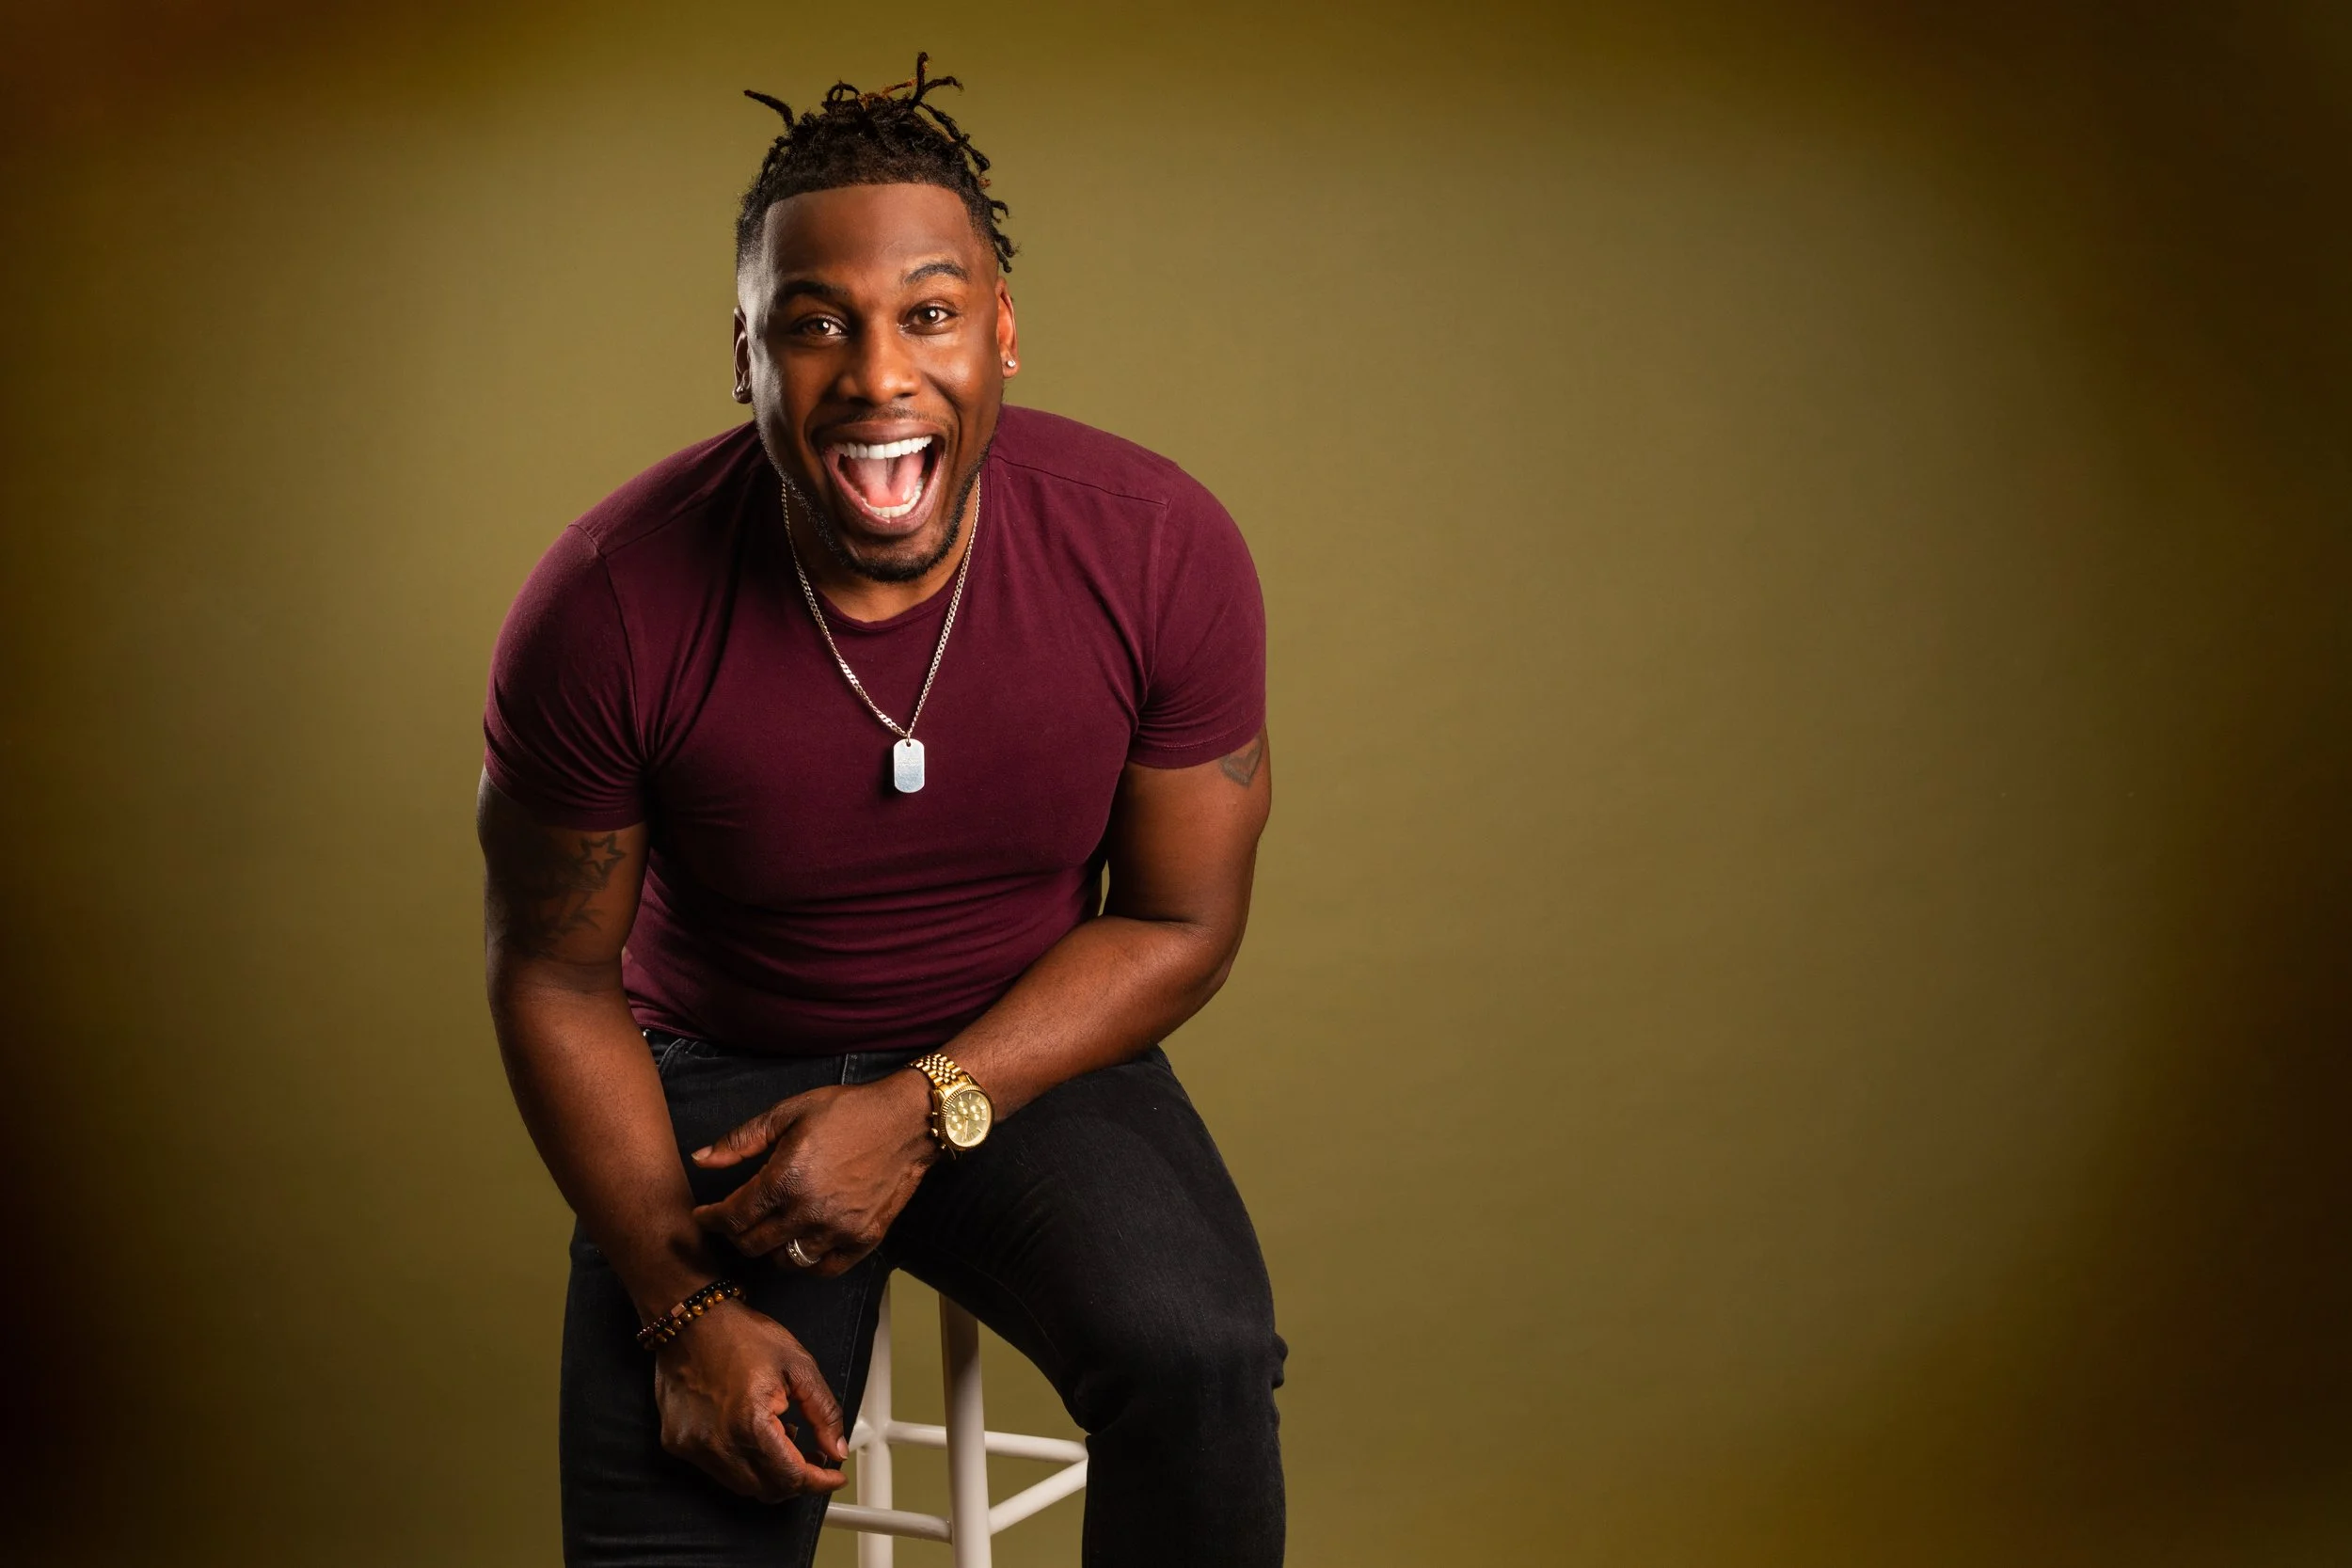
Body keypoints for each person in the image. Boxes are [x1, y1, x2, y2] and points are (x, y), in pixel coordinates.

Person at [475, 55, 1285, 1568]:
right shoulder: (606, 604)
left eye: (928, 312)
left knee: (1201, 1359)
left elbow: (1181, 920)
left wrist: (923, 1108)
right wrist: (686, 1306)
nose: (877, 375)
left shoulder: (1160, 550)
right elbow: (554, 974)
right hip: (712, 1087)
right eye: (815, 322)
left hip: (1022, 1051)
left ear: (1002, 334)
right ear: (744, 355)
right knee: (689, 1511)